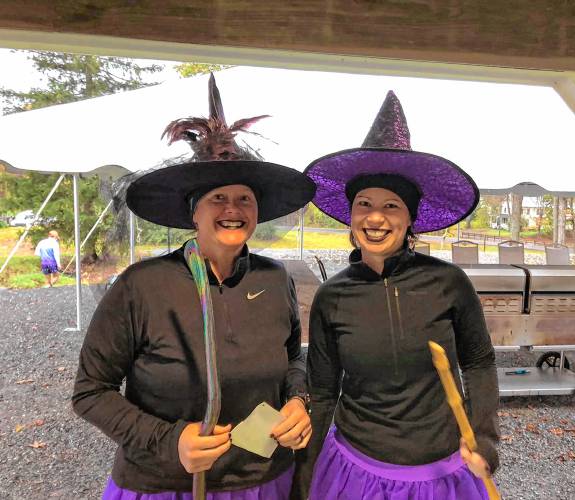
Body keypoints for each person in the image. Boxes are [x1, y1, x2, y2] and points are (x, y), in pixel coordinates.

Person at [72, 74, 315, 499]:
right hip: (165, 483)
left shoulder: (275, 280)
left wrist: (298, 400)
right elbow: (91, 392)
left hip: (262, 480)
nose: (233, 209)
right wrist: (171, 441)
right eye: (218, 198)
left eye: (244, 199)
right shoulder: (142, 286)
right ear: (193, 213)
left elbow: (293, 358)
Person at [295, 91, 499, 499]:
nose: (375, 217)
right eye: (364, 204)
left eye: (391, 206)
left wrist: (485, 439)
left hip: (440, 472)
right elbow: (321, 391)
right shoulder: (332, 296)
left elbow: (479, 363)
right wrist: (303, 484)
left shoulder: (449, 283)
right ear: (350, 216)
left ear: (410, 219)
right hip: (355, 470)